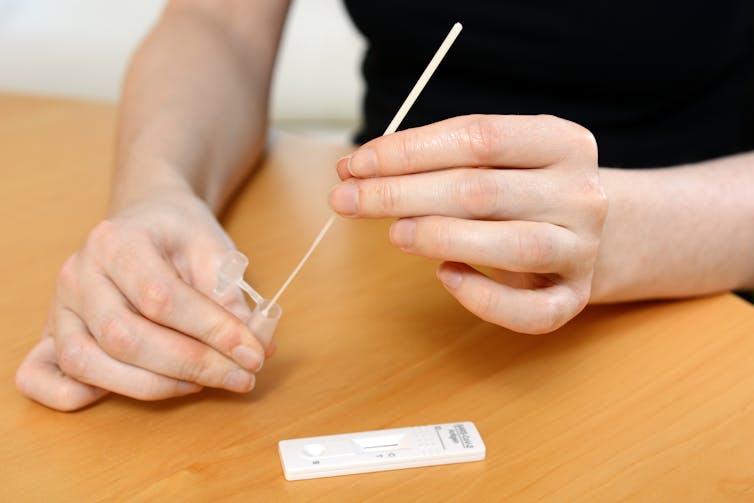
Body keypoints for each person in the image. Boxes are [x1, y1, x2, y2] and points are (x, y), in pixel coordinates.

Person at [15, 0, 754, 411]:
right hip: (392, 284)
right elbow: (220, 22)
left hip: (700, 293)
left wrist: (627, 230)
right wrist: (156, 189)